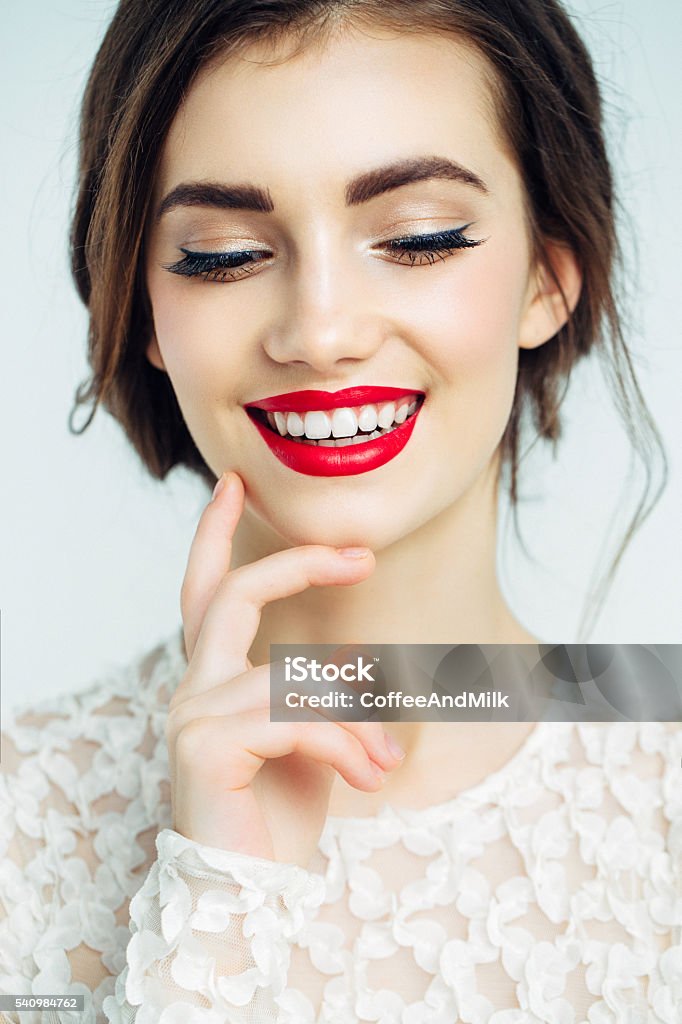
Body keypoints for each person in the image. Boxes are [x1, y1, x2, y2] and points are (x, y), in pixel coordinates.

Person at [1, 1, 679, 1022]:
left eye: (417, 238)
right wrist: (217, 904)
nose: (319, 330)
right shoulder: (22, 814)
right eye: (223, 254)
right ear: (143, 312)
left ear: (548, 277)